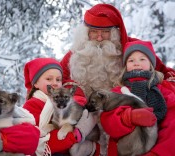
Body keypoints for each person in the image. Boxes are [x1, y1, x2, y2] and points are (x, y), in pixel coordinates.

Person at [60, 3, 175, 155]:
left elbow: (161, 71)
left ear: (115, 32)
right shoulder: (75, 55)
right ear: (85, 32)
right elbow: (51, 80)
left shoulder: (131, 49)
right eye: (94, 32)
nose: (99, 37)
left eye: (106, 32)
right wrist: (76, 93)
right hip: (86, 123)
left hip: (123, 123)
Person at [100, 40, 175, 156]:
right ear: (126, 66)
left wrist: (157, 153)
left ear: (151, 64)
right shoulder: (118, 92)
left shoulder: (163, 91)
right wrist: (128, 117)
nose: (136, 63)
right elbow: (108, 122)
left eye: (142, 59)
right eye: (131, 60)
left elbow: (172, 125)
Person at [23, 57, 98, 156]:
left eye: (58, 80)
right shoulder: (32, 106)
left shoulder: (62, 103)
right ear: (35, 83)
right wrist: (74, 135)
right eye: (49, 79)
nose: (54, 83)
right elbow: (37, 141)